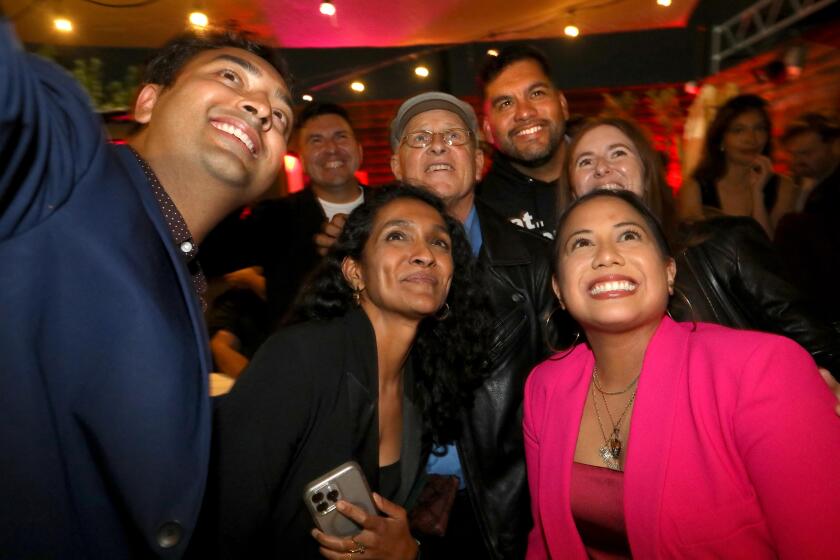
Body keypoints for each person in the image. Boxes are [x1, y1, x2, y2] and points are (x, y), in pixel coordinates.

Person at [0, 16, 293, 557]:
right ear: (147, 102)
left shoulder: (181, 265)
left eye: (280, 114)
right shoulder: (65, 163)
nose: (261, 109)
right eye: (231, 78)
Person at [524, 189, 840, 558]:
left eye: (629, 235)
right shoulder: (544, 387)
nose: (606, 256)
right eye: (581, 243)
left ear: (669, 272)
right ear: (559, 290)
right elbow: (544, 541)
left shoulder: (761, 369)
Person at [318, 91, 560, 558]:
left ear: (477, 158)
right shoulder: (360, 257)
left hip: (503, 510)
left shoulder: (532, 260)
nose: (437, 146)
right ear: (395, 163)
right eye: (420, 138)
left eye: (453, 137)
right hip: (385, 502)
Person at [205, 184, 490, 558]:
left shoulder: (422, 386)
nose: (424, 254)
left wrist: (408, 550)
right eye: (397, 236)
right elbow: (221, 527)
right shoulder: (301, 358)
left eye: (440, 243)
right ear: (355, 272)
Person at [559, 116, 840, 375]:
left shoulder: (725, 243)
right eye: (585, 161)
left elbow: (819, 344)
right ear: (573, 192)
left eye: (618, 153)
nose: (602, 168)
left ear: (647, 174)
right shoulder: (579, 283)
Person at [205, 102, 367, 376]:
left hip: (386, 371)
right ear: (300, 158)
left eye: (340, 136)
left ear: (359, 149)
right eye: (316, 140)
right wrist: (241, 183)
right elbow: (209, 257)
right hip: (303, 375)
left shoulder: (390, 210)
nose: (331, 148)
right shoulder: (276, 218)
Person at [478, 45, 569, 239]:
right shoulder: (478, 213)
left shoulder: (612, 177)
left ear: (563, 105)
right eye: (506, 104)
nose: (525, 113)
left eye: (536, 94)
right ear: (488, 130)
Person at [678, 94, 797, 237]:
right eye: (738, 130)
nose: (751, 139)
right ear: (721, 140)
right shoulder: (696, 187)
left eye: (759, 129)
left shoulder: (783, 187)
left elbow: (768, 249)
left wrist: (757, 194)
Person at [775, 113, 840, 323]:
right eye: (794, 154)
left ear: (832, 146)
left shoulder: (831, 190)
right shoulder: (798, 183)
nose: (798, 161)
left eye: (807, 153)